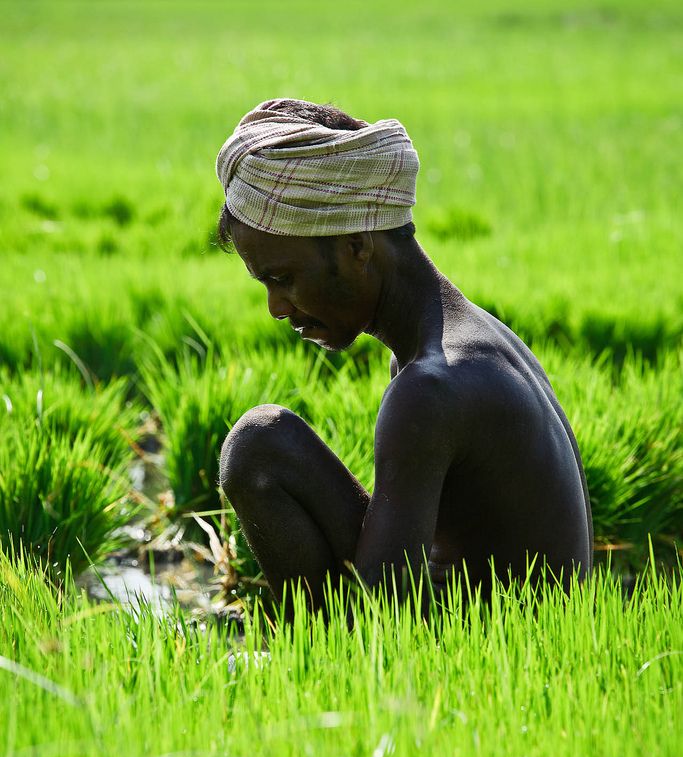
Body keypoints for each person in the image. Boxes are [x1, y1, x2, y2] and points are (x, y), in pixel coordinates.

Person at [215, 98, 593, 613]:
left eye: (283, 279)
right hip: (506, 639)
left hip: (486, 661)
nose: (276, 308)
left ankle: (313, 661)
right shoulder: (472, 340)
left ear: (356, 245)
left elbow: (387, 607)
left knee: (260, 446)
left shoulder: (433, 386)